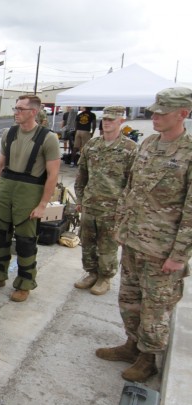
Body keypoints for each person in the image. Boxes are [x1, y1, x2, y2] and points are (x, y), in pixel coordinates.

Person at [96, 87, 192, 382]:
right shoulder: (148, 144)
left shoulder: (188, 153)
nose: (155, 117)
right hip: (134, 241)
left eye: (162, 113)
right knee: (129, 300)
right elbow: (131, 189)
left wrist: (179, 256)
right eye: (155, 111)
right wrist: (121, 228)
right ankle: (131, 344)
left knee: (155, 308)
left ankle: (148, 358)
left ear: (183, 114)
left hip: (162, 250)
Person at [0, 95, 61, 302]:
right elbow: (0, 165)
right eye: (15, 108)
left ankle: (25, 283)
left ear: (33, 112)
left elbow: (52, 174)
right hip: (6, 186)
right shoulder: (9, 133)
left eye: (20, 109)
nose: (16, 112)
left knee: (25, 240)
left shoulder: (48, 138)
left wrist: (43, 204)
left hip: (30, 190)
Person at [73, 106, 137, 296]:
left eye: (111, 119)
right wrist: (80, 198)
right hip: (91, 204)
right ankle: (92, 273)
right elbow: (82, 175)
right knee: (87, 242)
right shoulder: (92, 146)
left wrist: (125, 209)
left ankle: (105, 277)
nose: (107, 122)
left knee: (107, 245)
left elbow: (133, 183)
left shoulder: (130, 149)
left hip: (113, 208)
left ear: (121, 121)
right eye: (105, 119)